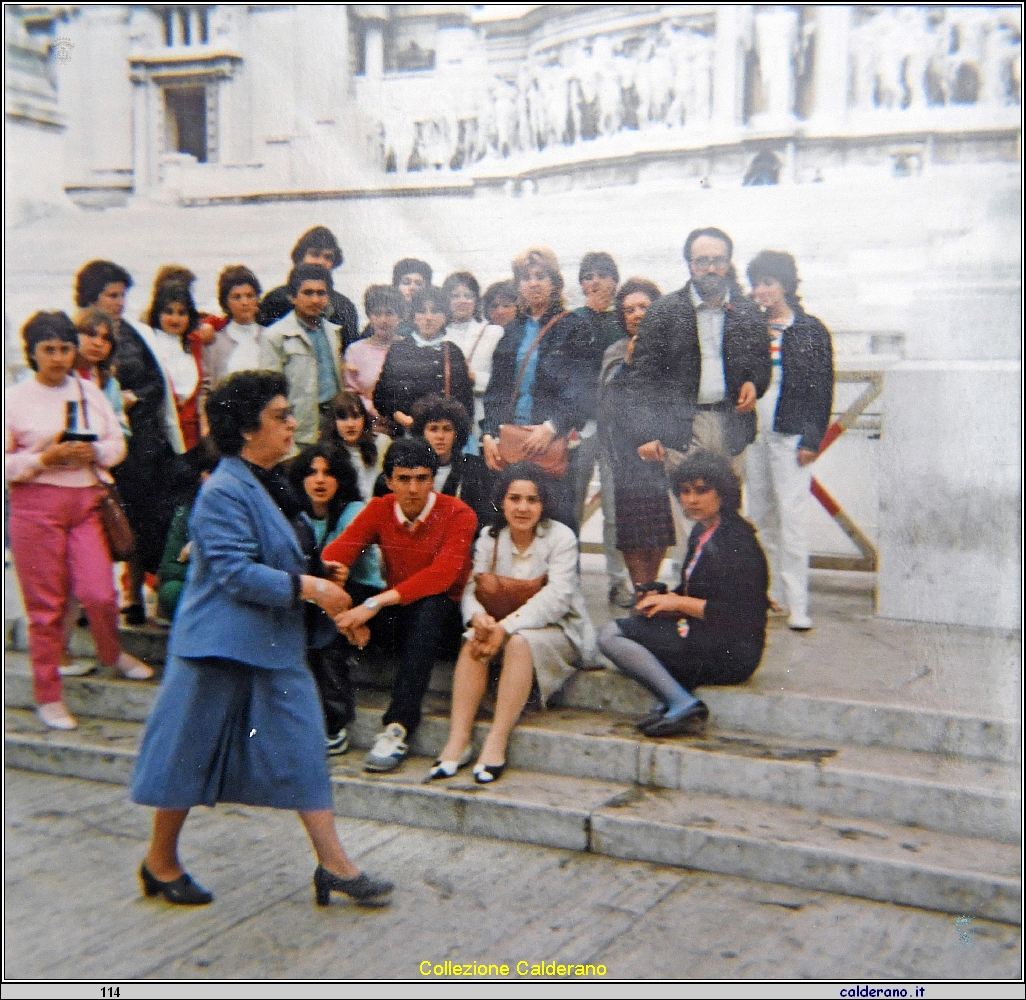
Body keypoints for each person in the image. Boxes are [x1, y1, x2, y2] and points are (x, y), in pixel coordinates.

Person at [130, 371, 392, 908]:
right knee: (187, 755)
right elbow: (235, 574)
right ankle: (160, 862)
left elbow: (286, 557)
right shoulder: (224, 489)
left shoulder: (274, 481)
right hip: (216, 647)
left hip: (273, 645)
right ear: (247, 429)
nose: (293, 422)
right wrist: (312, 587)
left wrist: (329, 589)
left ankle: (335, 865)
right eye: (279, 416)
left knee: (303, 748)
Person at [6, 312, 153, 731]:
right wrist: (43, 459)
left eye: (65, 348)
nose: (57, 358)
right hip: (35, 508)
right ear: (32, 353)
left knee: (101, 593)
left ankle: (111, 653)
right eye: (48, 350)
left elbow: (116, 443)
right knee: (46, 607)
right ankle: (48, 694)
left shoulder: (88, 391)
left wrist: (97, 454)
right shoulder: (14, 399)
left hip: (86, 502)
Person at [431, 464, 597, 784]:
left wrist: (504, 629)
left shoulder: (561, 537)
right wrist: (478, 617)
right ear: (502, 502)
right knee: (472, 639)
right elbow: (471, 589)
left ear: (543, 504)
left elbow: (556, 600)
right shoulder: (490, 537)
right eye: (514, 498)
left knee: (521, 643)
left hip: (559, 629)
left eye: (532, 500)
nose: (523, 508)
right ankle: (458, 740)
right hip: (502, 626)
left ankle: (496, 739)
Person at [322, 438, 477, 774]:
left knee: (432, 604)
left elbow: (442, 576)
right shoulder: (380, 508)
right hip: (400, 615)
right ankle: (331, 722)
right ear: (389, 481)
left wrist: (372, 604)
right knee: (335, 591)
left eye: (422, 478)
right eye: (404, 479)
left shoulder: (457, 513)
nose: (413, 488)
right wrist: (342, 603)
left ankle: (398, 727)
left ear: (433, 479)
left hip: (444, 624)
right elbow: (335, 555)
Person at [598, 451, 769, 738]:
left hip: (733, 652)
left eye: (702, 491)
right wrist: (661, 597)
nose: (691, 500)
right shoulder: (702, 532)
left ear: (723, 493)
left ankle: (681, 702)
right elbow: (696, 590)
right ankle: (673, 698)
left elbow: (735, 614)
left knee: (610, 636)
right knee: (632, 626)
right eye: (685, 492)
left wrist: (675, 602)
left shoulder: (738, 540)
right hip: (708, 636)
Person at [75, 260, 184, 625]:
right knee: (93, 524)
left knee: (135, 522)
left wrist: (134, 396)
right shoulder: (78, 335)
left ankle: (133, 597)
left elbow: (158, 383)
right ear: (91, 296)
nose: (120, 303)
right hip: (93, 446)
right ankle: (91, 599)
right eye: (112, 295)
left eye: (123, 295)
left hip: (138, 447)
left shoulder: (135, 334)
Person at [628, 227, 770, 471]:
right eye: (702, 261)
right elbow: (642, 378)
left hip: (732, 427)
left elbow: (761, 364)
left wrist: (754, 382)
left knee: (727, 508)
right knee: (688, 507)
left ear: (728, 263)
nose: (711, 269)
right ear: (690, 264)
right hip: (681, 431)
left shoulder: (748, 311)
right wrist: (645, 434)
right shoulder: (663, 312)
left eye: (718, 261)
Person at [744, 251, 834, 632]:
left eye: (769, 282)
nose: (762, 291)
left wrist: (812, 438)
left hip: (791, 432)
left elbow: (822, 389)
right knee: (761, 514)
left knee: (793, 516)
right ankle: (773, 595)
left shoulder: (810, 329)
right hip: (753, 432)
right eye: (757, 283)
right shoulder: (748, 327)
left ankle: (799, 602)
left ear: (786, 284)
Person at [481, 248, 599, 532]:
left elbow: (583, 390)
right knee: (508, 527)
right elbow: (496, 390)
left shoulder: (575, 327)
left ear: (555, 282)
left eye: (541, 276)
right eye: (525, 278)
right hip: (512, 443)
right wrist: (488, 434)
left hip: (551, 442)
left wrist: (551, 426)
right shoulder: (511, 330)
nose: (533, 283)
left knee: (558, 525)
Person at [288, 443, 385, 755]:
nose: (319, 480)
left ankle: (334, 722)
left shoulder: (354, 511)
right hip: (316, 594)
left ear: (341, 479)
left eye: (328, 473)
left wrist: (318, 577)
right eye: (312, 473)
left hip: (361, 595)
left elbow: (344, 559)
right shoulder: (294, 515)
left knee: (326, 616)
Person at [596, 278, 663, 605]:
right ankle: (640, 591)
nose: (636, 314)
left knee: (660, 525)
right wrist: (628, 363)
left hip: (663, 447)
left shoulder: (673, 349)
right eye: (628, 309)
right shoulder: (616, 351)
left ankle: (651, 586)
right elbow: (608, 401)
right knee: (632, 526)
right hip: (625, 451)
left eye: (643, 307)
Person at [260, 263, 345, 448]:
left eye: (321, 293)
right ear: (293, 297)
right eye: (308, 293)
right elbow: (270, 396)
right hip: (300, 430)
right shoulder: (275, 336)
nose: (315, 300)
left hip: (334, 425)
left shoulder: (333, 332)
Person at [381, 395, 495, 533]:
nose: (440, 436)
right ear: (421, 432)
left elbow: (482, 518)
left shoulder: (474, 466)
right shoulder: (406, 467)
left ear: (456, 433)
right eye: (433, 429)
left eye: (447, 429)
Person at [372, 286, 474, 437]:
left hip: (445, 435)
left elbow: (466, 400)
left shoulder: (452, 351)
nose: (428, 317)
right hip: (409, 432)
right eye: (422, 311)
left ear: (445, 316)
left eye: (435, 311)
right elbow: (381, 395)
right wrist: (400, 417)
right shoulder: (399, 350)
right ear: (413, 316)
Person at [570, 251, 622, 536]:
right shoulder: (574, 319)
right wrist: (590, 313)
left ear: (614, 281)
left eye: (602, 276)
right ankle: (569, 574)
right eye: (588, 277)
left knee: (614, 508)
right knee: (574, 503)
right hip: (583, 424)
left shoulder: (623, 319)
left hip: (615, 426)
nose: (595, 282)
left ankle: (618, 579)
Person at [258, 226, 359, 348]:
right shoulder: (275, 300)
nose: (320, 262)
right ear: (300, 257)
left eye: (328, 257)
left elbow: (350, 350)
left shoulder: (344, 307)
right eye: (315, 254)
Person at [156, 437, 221, 621]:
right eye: (209, 472)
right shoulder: (187, 512)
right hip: (196, 585)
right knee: (172, 592)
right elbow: (168, 567)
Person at [440, 271, 504, 447]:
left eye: (467, 296)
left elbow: (503, 380)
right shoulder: (438, 334)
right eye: (455, 296)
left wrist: (475, 378)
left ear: (476, 300)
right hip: (445, 416)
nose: (462, 301)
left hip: (480, 414)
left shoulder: (493, 332)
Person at [145, 279, 204, 451]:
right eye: (169, 312)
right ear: (157, 313)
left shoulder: (194, 343)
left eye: (182, 313)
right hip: (162, 439)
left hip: (194, 440)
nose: (175, 319)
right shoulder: (149, 343)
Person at [343, 285, 403, 426]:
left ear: (399, 316)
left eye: (389, 313)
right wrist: (375, 412)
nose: (383, 320)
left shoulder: (409, 347)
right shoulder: (355, 350)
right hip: (368, 424)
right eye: (377, 313)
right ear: (369, 316)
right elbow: (350, 392)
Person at [201, 265, 267, 389]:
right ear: (226, 302)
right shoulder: (214, 342)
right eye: (237, 297)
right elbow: (205, 387)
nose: (245, 302)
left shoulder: (271, 337)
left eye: (250, 295)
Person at [322, 389, 392, 502]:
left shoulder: (382, 443)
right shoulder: (328, 453)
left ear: (364, 418)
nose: (350, 424)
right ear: (333, 422)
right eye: (343, 418)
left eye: (355, 416)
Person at [74, 307, 130, 438]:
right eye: (91, 334)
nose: (98, 343)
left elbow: (122, 429)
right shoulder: (59, 377)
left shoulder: (109, 384)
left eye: (106, 338)